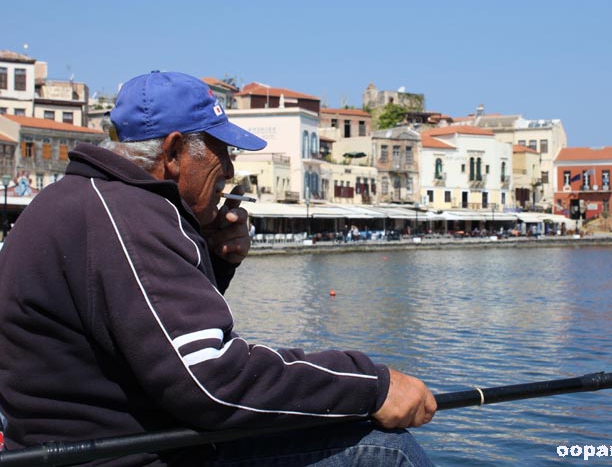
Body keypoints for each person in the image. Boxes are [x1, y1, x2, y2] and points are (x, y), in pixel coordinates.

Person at [0, 71, 436, 466]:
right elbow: (210, 377)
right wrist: (371, 385)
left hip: (97, 444)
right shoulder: (130, 212)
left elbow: (150, 342)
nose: (229, 168)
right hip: (132, 456)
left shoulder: (80, 199)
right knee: (384, 453)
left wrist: (213, 258)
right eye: (220, 151)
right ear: (172, 152)